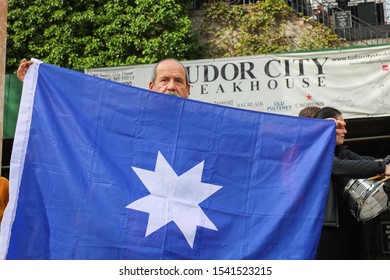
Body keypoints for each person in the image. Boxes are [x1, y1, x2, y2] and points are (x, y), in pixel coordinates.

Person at [314, 107, 390, 259]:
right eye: (339, 126)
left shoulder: (342, 152)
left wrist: (385, 162)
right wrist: (383, 167)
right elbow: (337, 166)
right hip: (329, 228)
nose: (345, 131)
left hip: (351, 223)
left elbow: (365, 162)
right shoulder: (316, 153)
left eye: (344, 126)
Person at [17, 58, 190, 98]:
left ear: (188, 89)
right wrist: (35, 85)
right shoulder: (133, 117)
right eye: (164, 80)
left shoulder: (207, 125)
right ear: (151, 86)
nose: (171, 86)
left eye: (179, 81)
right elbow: (72, 112)